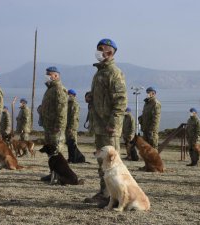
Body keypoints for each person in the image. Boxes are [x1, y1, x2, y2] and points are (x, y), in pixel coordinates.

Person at [84, 38, 127, 206]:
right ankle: (104, 194)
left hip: (109, 127)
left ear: (110, 52)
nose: (98, 51)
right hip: (99, 125)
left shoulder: (114, 73)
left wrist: (114, 123)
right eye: (98, 48)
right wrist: (90, 96)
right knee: (102, 163)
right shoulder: (100, 72)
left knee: (113, 165)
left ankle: (115, 198)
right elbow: (104, 96)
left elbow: (121, 100)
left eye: (101, 49)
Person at [40, 66, 68, 180]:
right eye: (46, 74)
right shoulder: (50, 89)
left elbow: (61, 109)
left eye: (49, 74)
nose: (47, 76)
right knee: (51, 152)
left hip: (55, 127)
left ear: (56, 76)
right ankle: (53, 173)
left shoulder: (58, 89)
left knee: (57, 151)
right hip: (49, 126)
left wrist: (59, 125)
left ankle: (58, 175)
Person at [66, 89, 85, 163]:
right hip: (68, 126)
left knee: (73, 143)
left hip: (72, 127)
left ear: (74, 95)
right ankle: (70, 158)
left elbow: (74, 117)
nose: (68, 95)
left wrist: (71, 127)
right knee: (69, 143)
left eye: (70, 94)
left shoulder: (74, 104)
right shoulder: (68, 104)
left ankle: (75, 159)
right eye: (68, 94)